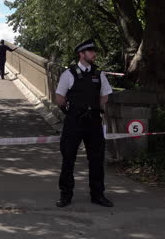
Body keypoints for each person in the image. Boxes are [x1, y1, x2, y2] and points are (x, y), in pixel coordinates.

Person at [55, 39, 114, 208]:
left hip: (94, 121)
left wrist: (99, 108)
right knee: (68, 158)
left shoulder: (99, 74)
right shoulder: (69, 74)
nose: (94, 54)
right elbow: (60, 97)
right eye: (90, 51)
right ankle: (65, 195)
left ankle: (98, 195)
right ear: (81, 54)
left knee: (96, 159)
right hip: (74, 121)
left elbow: (105, 95)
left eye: (94, 51)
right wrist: (70, 111)